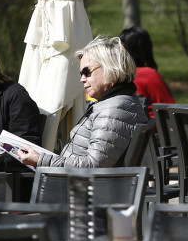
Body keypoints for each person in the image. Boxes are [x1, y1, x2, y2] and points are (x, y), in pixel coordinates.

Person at [15, 36, 149, 169]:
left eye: (87, 72)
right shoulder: (119, 103)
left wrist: (41, 160)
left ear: (110, 67)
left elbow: (93, 165)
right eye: (81, 74)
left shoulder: (113, 110)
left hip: (82, 187)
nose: (82, 79)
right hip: (81, 184)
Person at [119, 25, 174, 117]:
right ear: (146, 48)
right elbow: (169, 109)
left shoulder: (115, 77)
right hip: (152, 129)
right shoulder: (148, 75)